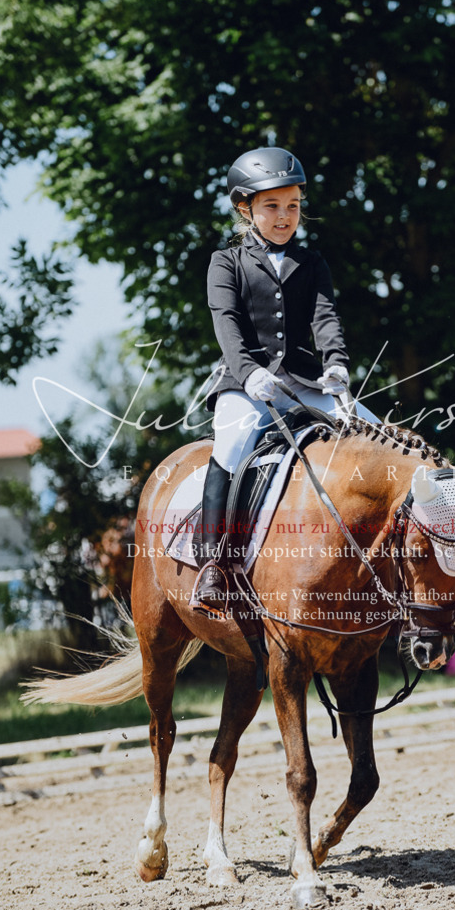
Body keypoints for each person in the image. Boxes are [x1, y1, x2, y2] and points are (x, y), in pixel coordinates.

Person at [192, 146, 377, 616]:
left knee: (378, 440)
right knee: (230, 448)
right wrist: (249, 372)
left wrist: (336, 364)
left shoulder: (312, 262)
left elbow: (325, 316)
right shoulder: (224, 262)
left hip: (306, 381)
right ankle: (216, 560)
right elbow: (226, 323)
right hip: (245, 382)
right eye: (272, 206)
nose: (284, 216)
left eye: (292, 206)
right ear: (244, 208)